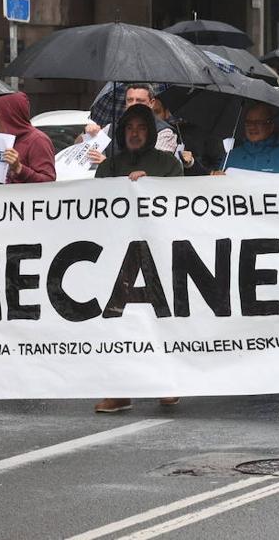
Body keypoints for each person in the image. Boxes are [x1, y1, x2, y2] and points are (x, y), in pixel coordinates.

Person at [93, 103, 183, 414]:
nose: (134, 133)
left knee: (160, 319)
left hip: (158, 254)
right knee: (119, 323)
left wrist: (149, 187)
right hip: (119, 256)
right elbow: (95, 206)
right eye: (129, 127)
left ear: (150, 132)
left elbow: (179, 203)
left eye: (141, 127)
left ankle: (166, 382)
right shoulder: (108, 167)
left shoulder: (168, 165)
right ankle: (120, 389)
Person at [86, 83, 179, 165]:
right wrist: (88, 133)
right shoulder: (111, 128)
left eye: (139, 100)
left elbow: (157, 166)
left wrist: (108, 164)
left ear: (152, 103)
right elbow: (81, 149)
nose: (133, 104)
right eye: (130, 100)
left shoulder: (164, 132)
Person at [222, 102, 279, 174]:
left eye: (258, 122)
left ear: (271, 126)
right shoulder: (231, 157)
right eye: (248, 122)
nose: (252, 127)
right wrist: (216, 178)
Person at [0, 92, 57, 183]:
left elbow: (48, 182)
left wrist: (19, 168)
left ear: (10, 114)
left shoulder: (38, 140)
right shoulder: (2, 139)